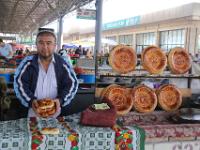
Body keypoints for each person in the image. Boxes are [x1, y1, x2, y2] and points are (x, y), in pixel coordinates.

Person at [14, 28, 78, 118]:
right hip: (32, 115)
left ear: (55, 45)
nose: (45, 47)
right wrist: (31, 101)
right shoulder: (28, 63)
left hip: (57, 116)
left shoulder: (62, 64)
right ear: (36, 45)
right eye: (41, 43)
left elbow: (72, 83)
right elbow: (19, 83)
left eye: (48, 43)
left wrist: (60, 100)